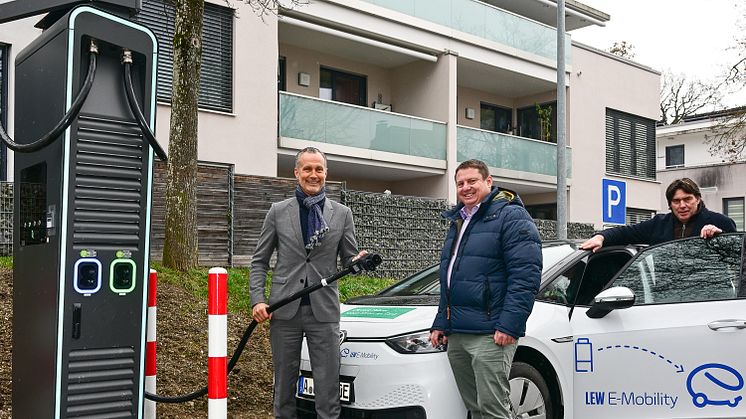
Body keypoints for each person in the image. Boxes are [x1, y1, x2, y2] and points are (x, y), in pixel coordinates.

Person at [250, 147, 365, 419]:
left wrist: (358, 260)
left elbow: (349, 259)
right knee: (284, 387)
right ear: (296, 173)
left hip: (323, 312)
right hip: (284, 309)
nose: (314, 175)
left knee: (327, 389)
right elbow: (259, 261)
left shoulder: (342, 213)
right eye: (308, 169)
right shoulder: (278, 212)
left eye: (319, 169)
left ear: (326, 173)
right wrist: (258, 299)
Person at [428, 159, 542, 419]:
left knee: (493, 409)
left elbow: (526, 275)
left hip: (491, 333)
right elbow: (450, 277)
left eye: (472, 181)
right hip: (457, 331)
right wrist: (440, 322)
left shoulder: (510, 216)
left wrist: (510, 325)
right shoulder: (460, 220)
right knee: (475, 409)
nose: (466, 188)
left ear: (488, 182)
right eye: (460, 183)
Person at [581, 177, 737, 252]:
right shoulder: (658, 224)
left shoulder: (720, 223)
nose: (682, 205)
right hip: (664, 298)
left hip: (711, 297)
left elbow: (737, 258)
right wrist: (601, 237)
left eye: (687, 199)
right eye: (676, 201)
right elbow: (625, 233)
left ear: (698, 199)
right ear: (670, 204)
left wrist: (720, 237)